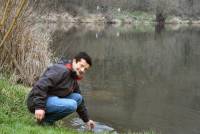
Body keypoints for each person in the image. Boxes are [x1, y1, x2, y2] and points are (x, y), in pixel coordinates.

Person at [27, 52, 95, 129]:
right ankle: (46, 122)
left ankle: (44, 120)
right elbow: (41, 85)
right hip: (35, 101)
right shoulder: (61, 70)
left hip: (50, 99)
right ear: (74, 61)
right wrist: (39, 107)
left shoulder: (73, 77)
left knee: (78, 98)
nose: (82, 70)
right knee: (72, 105)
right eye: (81, 65)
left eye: (85, 69)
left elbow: (80, 103)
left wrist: (87, 120)